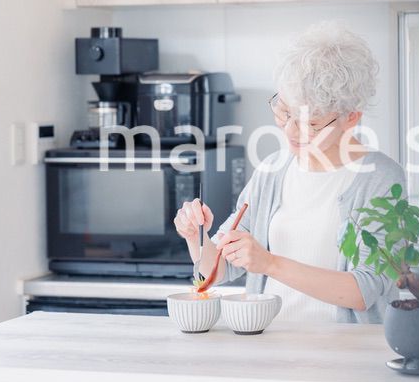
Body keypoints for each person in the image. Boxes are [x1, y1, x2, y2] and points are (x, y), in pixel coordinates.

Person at [173, 21, 405, 323]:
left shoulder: (381, 179)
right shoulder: (272, 171)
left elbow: (365, 290)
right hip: (271, 341)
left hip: (345, 348)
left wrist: (269, 263)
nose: (291, 130)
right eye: (284, 112)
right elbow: (218, 270)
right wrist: (197, 237)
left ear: (351, 118)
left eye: (311, 123)